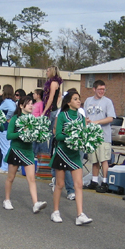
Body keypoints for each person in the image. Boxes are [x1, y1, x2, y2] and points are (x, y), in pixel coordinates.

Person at [50, 89, 92, 226]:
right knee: (60, 184)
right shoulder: (62, 115)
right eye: (75, 99)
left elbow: (84, 135)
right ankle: (55, 211)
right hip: (62, 153)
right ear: (68, 102)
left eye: (79, 99)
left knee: (78, 184)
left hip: (75, 154)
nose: (78, 101)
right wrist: (71, 136)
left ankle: (80, 214)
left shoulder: (81, 118)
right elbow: (58, 135)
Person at [2, 95, 48, 213]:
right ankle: (7, 199)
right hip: (16, 150)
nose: (31, 105)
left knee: (31, 178)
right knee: (11, 177)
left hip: (28, 151)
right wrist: (22, 133)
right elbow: (9, 135)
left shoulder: (34, 120)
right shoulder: (15, 119)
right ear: (21, 105)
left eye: (32, 103)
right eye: (28, 103)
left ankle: (35, 203)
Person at [83, 80, 117, 193]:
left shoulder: (107, 102)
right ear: (94, 89)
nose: (101, 91)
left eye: (103, 89)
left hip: (103, 136)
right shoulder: (88, 101)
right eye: (99, 89)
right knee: (94, 160)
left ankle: (105, 181)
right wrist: (87, 121)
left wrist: (97, 122)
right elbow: (85, 116)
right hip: (92, 136)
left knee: (104, 159)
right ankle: (94, 180)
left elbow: (111, 118)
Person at [0, 85, 17, 174]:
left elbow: (12, 110)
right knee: (7, 146)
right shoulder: (12, 101)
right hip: (7, 126)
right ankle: (7, 166)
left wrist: (6, 117)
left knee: (4, 147)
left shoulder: (7, 102)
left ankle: (5, 167)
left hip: (3, 126)